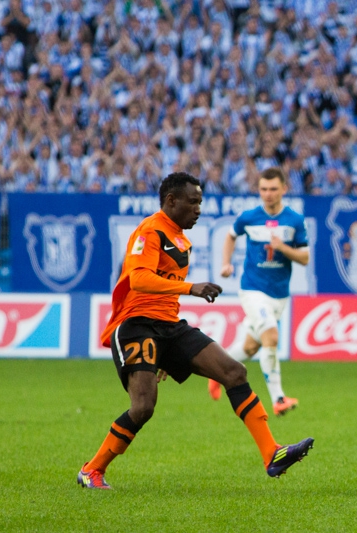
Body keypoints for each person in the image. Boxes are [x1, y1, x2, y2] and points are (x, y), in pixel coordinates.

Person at [77, 172, 313, 490]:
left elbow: (164, 291)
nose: (198, 208)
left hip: (168, 326)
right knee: (144, 406)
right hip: (135, 325)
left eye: (200, 202)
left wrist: (163, 349)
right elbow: (139, 280)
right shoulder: (151, 230)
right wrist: (192, 287)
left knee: (233, 371)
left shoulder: (181, 240)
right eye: (193, 202)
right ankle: (92, 469)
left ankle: (272, 454)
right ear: (171, 201)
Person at [210, 167, 309, 416]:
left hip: (279, 294)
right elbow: (230, 236)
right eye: (263, 189)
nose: (268, 194)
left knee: (252, 347)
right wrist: (226, 263)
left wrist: (283, 248)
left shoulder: (295, 220)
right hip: (253, 289)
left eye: (273, 189)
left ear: (284, 189)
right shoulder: (249, 217)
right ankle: (278, 399)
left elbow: (305, 257)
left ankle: (216, 372)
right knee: (272, 338)